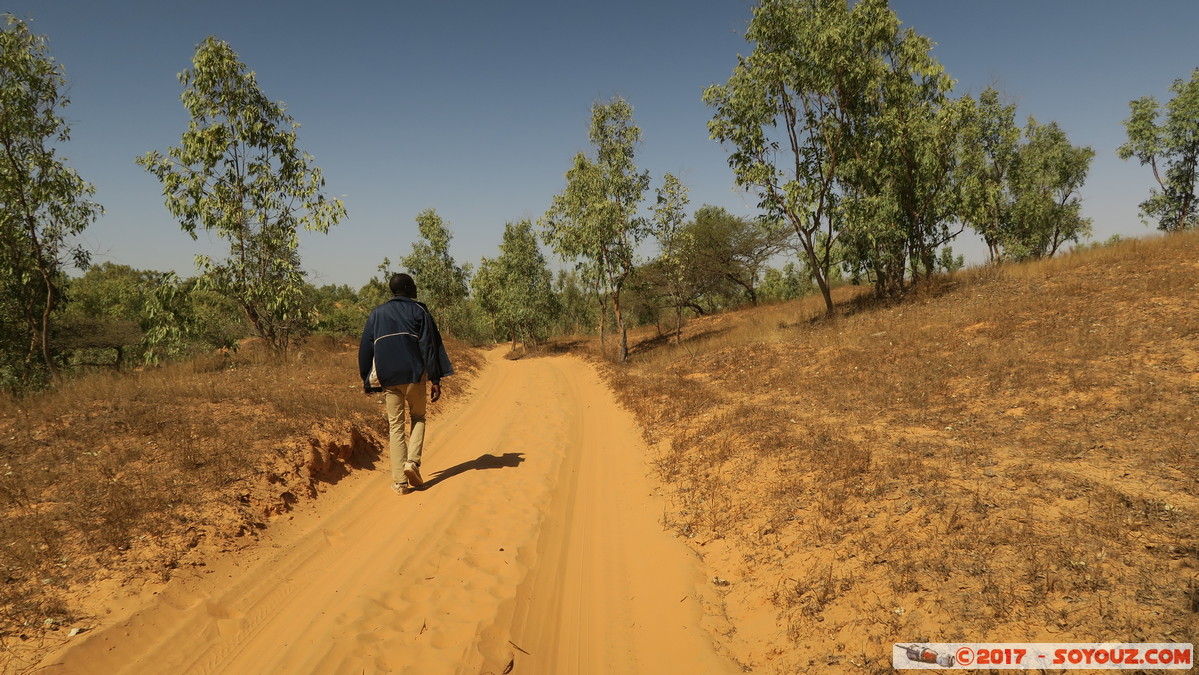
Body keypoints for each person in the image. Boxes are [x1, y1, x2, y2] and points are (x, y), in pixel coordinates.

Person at [359, 273, 454, 494]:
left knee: (396, 426)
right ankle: (412, 462)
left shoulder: (376, 314)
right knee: (418, 417)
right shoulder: (418, 310)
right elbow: (429, 347)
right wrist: (436, 378)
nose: (416, 288)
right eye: (413, 285)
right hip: (414, 375)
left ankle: (400, 482)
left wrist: (367, 379)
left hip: (389, 378)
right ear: (407, 288)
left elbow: (366, 348)